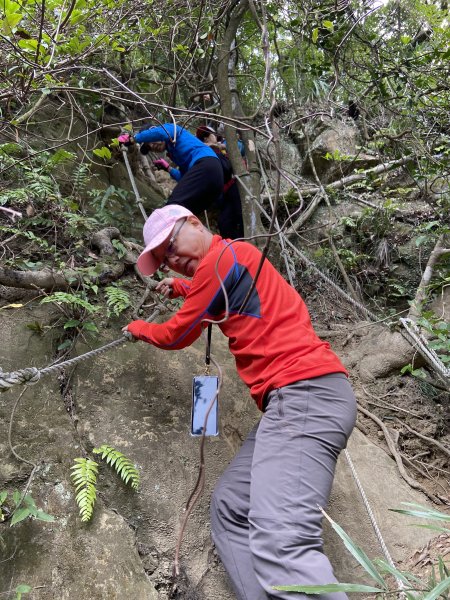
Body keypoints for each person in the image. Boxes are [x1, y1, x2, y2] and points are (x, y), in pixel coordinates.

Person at [123, 204, 357, 600]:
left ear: (195, 222)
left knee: (282, 540)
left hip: (306, 394)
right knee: (231, 507)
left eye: (172, 246)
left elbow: (177, 334)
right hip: (294, 402)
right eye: (166, 261)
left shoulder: (222, 258)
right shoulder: (231, 261)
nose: (174, 261)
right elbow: (220, 297)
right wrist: (179, 288)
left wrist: (137, 328)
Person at [118, 123, 224, 217]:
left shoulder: (172, 129)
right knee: (185, 214)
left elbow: (161, 132)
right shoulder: (175, 152)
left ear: (154, 130)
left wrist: (133, 138)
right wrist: (168, 169)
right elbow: (185, 179)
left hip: (206, 164)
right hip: (214, 180)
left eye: (149, 140)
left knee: (173, 207)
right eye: (148, 147)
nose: (151, 145)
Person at [195, 125, 244, 239]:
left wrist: (219, 146)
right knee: (224, 223)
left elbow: (240, 150)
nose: (206, 139)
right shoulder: (205, 152)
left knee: (240, 215)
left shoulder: (226, 145)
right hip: (223, 193)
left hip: (235, 185)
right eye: (204, 138)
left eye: (208, 135)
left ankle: (246, 242)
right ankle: (237, 246)